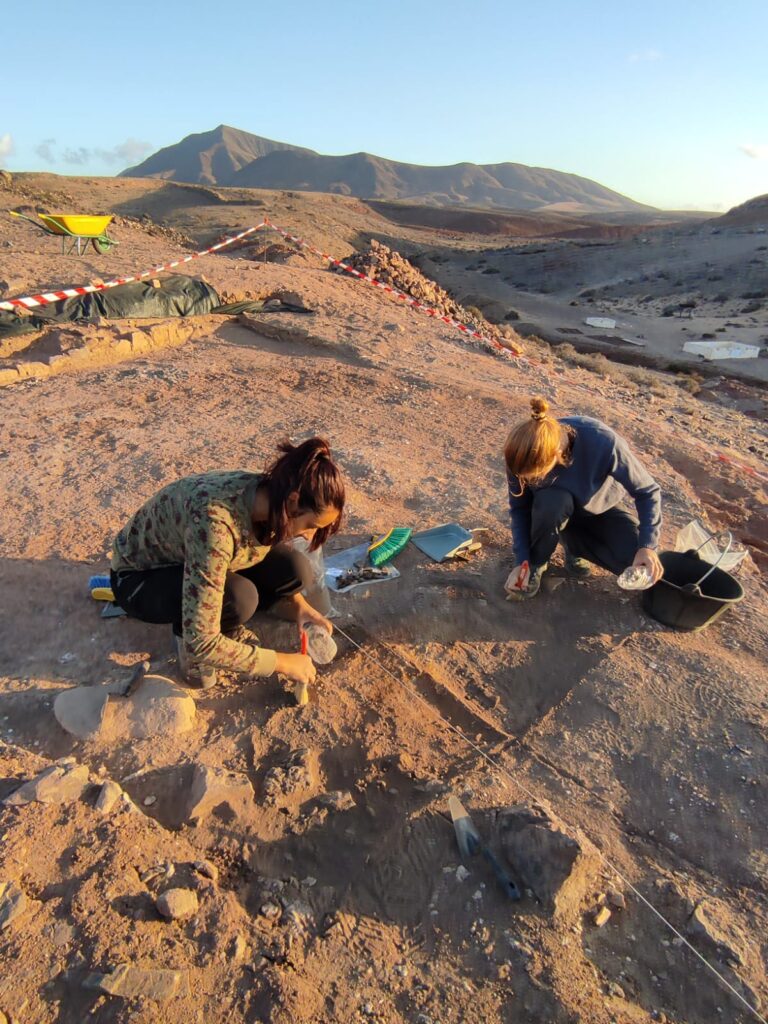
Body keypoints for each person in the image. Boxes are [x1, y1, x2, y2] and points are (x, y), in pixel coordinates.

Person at [110, 437, 344, 689]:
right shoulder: (214, 525)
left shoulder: (272, 494)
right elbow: (202, 641)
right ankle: (188, 640)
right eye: (310, 525)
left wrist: (299, 606)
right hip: (139, 579)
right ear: (294, 500)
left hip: (195, 554)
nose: (309, 535)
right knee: (240, 598)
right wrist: (282, 662)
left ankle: (235, 618)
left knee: (295, 570)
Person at [503, 398, 663, 600]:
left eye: (536, 476)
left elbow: (647, 491)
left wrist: (647, 546)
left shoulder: (603, 442)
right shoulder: (521, 453)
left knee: (637, 563)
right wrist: (523, 561)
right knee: (553, 502)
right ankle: (538, 562)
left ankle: (574, 547)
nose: (529, 480)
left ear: (557, 455)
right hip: (553, 509)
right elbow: (520, 509)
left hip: (599, 508)